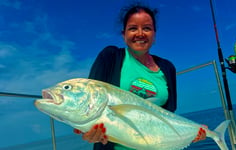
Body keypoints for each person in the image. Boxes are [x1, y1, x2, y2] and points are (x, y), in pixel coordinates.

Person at [73, 2, 206, 150]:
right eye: (133, 28)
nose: (140, 33)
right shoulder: (110, 57)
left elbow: (168, 116)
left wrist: (193, 132)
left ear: (154, 34)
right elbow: (92, 101)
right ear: (124, 35)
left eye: (147, 28)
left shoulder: (167, 68)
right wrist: (89, 132)